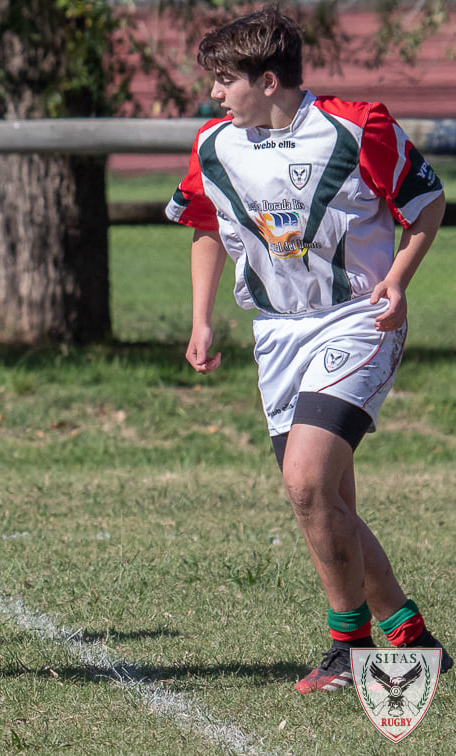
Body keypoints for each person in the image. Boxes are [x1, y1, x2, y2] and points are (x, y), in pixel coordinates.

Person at [166, 7, 452, 695]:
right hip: (276, 335)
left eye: (225, 81)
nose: (214, 95)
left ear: (268, 81)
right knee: (326, 502)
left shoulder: (359, 126)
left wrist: (397, 281)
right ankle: (414, 640)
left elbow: (427, 202)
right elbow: (204, 225)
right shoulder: (214, 144)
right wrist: (201, 319)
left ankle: (347, 648)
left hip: (357, 320)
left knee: (304, 481)